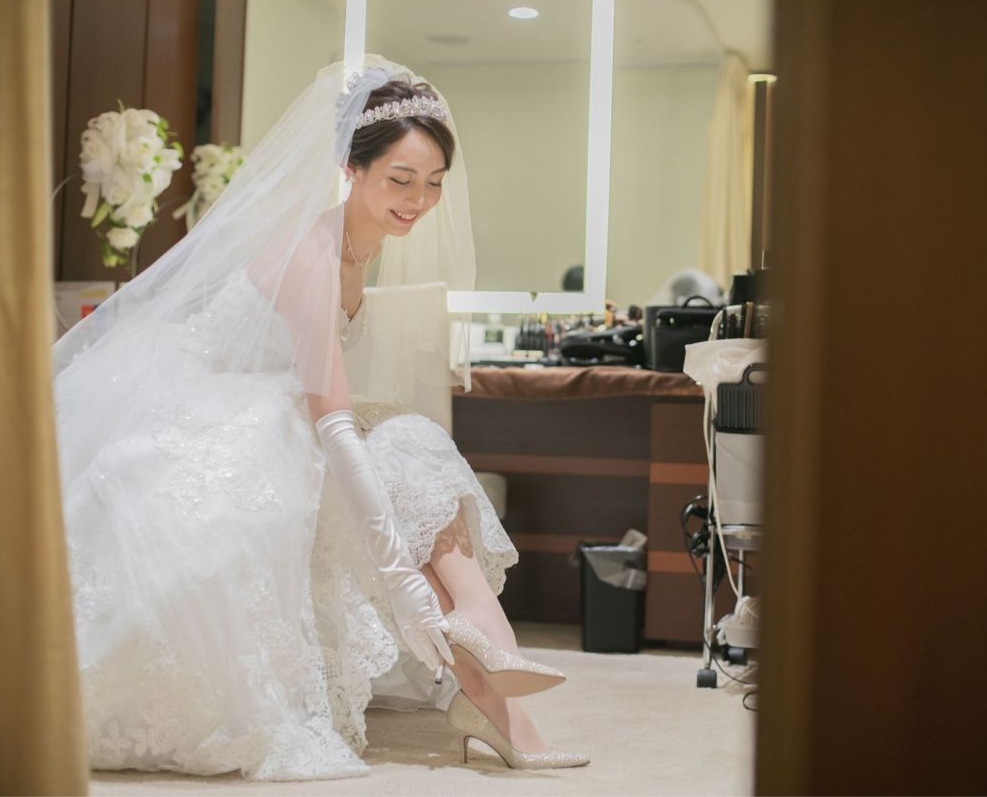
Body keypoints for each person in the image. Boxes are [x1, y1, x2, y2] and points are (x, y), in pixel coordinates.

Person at [52, 56, 588, 780]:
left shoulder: (363, 244)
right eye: (400, 180)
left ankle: (487, 659)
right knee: (396, 454)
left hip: (286, 408)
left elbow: (325, 396)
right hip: (215, 414)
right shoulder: (311, 254)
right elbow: (329, 417)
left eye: (433, 183)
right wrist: (399, 577)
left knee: (411, 447)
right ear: (350, 168)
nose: (418, 200)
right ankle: (492, 692)